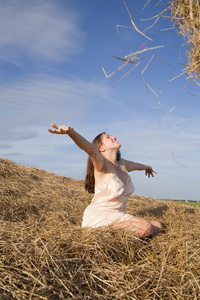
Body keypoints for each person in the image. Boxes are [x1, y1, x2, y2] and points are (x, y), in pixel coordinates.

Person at [48, 123, 162, 238]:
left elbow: (138, 165)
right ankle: (102, 230)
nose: (114, 137)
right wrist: (71, 133)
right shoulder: (101, 164)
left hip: (118, 214)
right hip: (101, 215)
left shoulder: (123, 164)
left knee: (158, 225)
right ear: (101, 148)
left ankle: (118, 227)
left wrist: (148, 167)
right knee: (146, 227)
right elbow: (89, 148)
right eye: (109, 137)